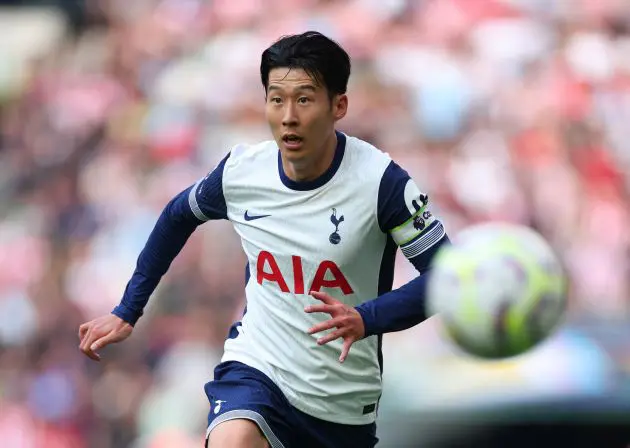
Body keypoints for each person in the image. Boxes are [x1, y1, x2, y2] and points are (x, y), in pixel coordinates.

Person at [78, 31, 449, 448]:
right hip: (258, 368)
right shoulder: (241, 172)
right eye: (276, 99)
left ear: (338, 106)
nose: (288, 116)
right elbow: (176, 216)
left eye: (304, 99)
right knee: (233, 440)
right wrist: (128, 309)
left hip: (342, 403)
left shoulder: (382, 183)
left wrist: (368, 318)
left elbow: (447, 277)